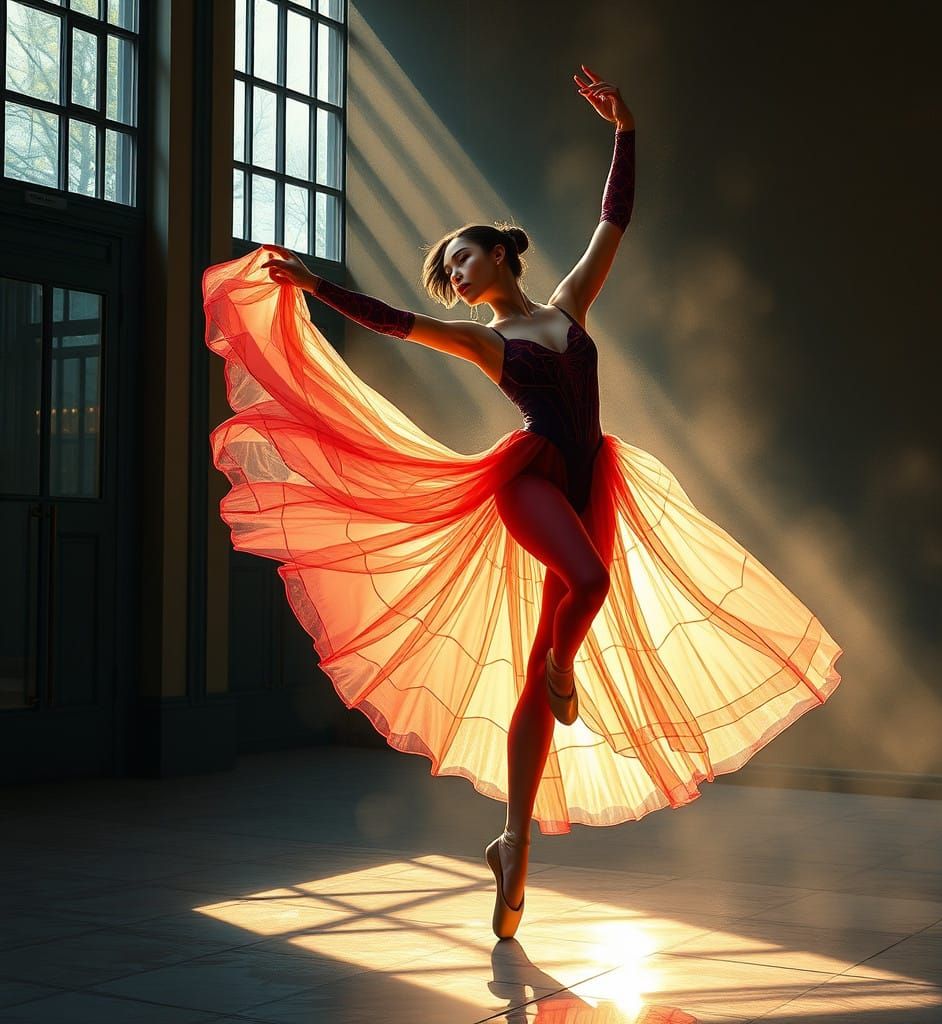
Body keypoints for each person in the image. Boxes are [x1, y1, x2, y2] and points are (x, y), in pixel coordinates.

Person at [203, 65, 842, 942]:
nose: (454, 275)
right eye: (448, 271)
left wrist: (626, 130)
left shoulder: (568, 306)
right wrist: (315, 286)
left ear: (502, 252)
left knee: (550, 652)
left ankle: (512, 844)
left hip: (591, 480)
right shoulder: (484, 341)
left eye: (461, 256)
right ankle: (564, 670)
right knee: (586, 583)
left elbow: (612, 223)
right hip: (531, 481)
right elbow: (397, 321)